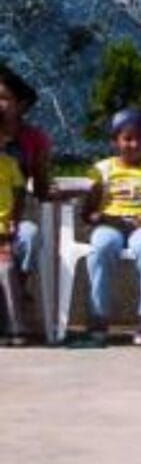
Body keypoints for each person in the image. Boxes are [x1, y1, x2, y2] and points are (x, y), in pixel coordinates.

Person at [79, 109, 141, 346]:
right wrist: (97, 216)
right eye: (127, 139)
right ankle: (98, 318)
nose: (133, 144)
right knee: (101, 247)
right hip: (110, 225)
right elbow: (86, 212)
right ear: (115, 142)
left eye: (139, 139)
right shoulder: (101, 171)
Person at [0, 64, 52, 324]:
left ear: (20, 105)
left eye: (4, 98)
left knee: (29, 235)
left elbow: (41, 188)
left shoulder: (34, 139)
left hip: (13, 220)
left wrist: (56, 192)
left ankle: (16, 292)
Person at [0, 132, 26, 345]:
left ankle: (14, 327)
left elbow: (18, 197)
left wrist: (13, 224)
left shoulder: (10, 165)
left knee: (6, 268)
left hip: (2, 235)